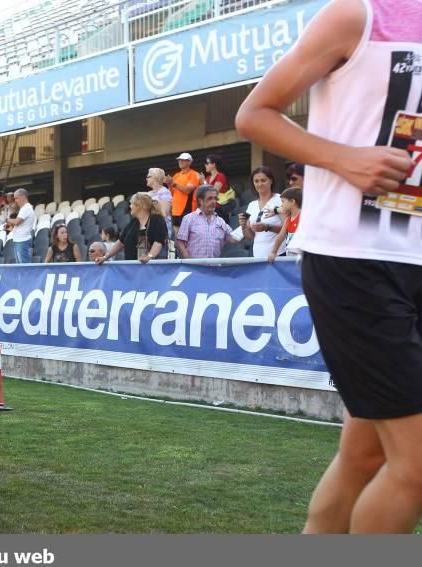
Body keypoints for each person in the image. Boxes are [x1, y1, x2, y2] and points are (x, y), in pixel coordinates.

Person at [236, 0, 420, 533]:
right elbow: (254, 114)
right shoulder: (356, 15)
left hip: (415, 257)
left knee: (365, 458)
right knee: (417, 466)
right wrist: (344, 158)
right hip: (355, 260)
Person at [96, 193, 168, 264]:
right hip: (132, 266)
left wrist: (149, 256)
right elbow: (121, 242)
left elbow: (158, 242)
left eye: (132, 204)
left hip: (150, 267)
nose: (130, 206)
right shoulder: (133, 222)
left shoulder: (157, 220)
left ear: (140, 205)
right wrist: (105, 257)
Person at [176, 184, 236, 259]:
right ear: (200, 201)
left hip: (214, 267)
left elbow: (233, 238)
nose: (214, 201)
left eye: (215, 198)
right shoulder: (189, 218)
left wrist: (244, 227)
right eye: (210, 198)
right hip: (194, 266)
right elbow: (180, 241)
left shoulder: (220, 221)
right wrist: (186, 255)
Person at [238, 166, 285, 259]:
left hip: (278, 255)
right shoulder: (252, 205)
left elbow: (287, 229)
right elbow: (250, 236)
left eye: (263, 180)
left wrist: (267, 227)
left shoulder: (280, 200)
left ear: (271, 181)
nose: (259, 184)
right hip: (258, 255)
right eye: (256, 181)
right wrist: (243, 226)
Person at [267, 188, 302, 263]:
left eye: (283, 201)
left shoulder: (304, 216)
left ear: (292, 201)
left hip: (303, 256)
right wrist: (273, 252)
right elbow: (280, 236)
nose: (281, 205)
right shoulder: (287, 220)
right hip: (290, 256)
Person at [170, 152, 202, 235]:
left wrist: (174, 184)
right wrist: (168, 184)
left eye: (183, 160)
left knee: (188, 237)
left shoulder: (194, 174)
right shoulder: (176, 175)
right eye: (179, 160)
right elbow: (170, 192)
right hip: (175, 211)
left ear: (189, 162)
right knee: (178, 238)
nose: (180, 162)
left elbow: (188, 190)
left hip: (188, 209)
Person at [6, 188, 35, 264]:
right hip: (19, 240)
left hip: (22, 240)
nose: (15, 201)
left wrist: (7, 219)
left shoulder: (26, 208)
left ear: (23, 197)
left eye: (16, 198)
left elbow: (16, 222)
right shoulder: (24, 208)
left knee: (24, 265)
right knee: (20, 265)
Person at [204, 154, 235, 223]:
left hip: (220, 210)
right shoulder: (207, 178)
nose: (205, 165)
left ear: (213, 164)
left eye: (207, 163)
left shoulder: (220, 176)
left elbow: (213, 192)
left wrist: (203, 182)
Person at [145, 168, 173, 237]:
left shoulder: (164, 192)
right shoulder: (148, 194)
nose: (146, 179)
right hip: (150, 230)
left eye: (148, 177)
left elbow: (164, 213)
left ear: (155, 177)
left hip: (161, 231)